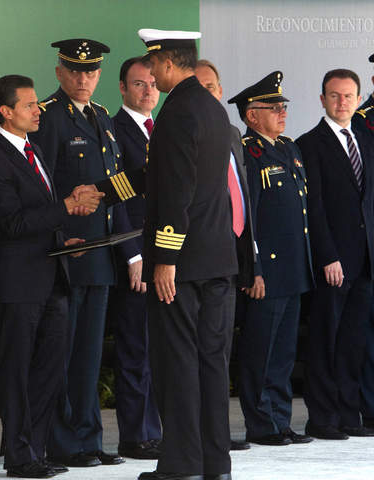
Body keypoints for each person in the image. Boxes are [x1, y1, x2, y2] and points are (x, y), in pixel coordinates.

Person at [0, 74, 103, 479]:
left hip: (52, 277)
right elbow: (13, 224)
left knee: (49, 369)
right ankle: (18, 456)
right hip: (18, 284)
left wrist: (65, 242)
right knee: (17, 372)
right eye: (29, 105)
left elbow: (42, 216)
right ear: (6, 111)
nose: (38, 111)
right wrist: (66, 206)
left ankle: (36, 449)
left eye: (38, 104)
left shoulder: (34, 150)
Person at [137, 29, 238, 480]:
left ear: (166, 63)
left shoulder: (177, 111)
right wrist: (105, 189)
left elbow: (177, 191)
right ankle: (215, 463)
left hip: (185, 266)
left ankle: (181, 466)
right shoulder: (212, 107)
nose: (151, 75)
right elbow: (163, 174)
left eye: (152, 66)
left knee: (177, 363)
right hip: (217, 259)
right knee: (212, 365)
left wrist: (166, 259)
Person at [29, 38, 124, 469]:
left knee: (89, 356)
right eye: (74, 70)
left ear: (99, 74)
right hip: (68, 253)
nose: (83, 78)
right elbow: (42, 187)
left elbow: (112, 184)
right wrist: (59, 237)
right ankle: (65, 443)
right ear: (59, 73)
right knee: (64, 356)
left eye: (90, 71)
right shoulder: (48, 117)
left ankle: (89, 439)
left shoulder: (102, 116)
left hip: (101, 252)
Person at [227, 72, 314, 446]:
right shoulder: (249, 153)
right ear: (252, 115)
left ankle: (281, 420)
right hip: (267, 272)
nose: (282, 112)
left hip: (293, 269)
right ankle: (262, 424)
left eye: (283, 106)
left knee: (283, 352)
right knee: (260, 352)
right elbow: (247, 220)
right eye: (273, 107)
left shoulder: (289, 149)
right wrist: (254, 270)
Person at [296, 69, 374, 440]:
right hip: (334, 262)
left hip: (365, 261)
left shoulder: (366, 140)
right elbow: (313, 208)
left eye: (348, 96)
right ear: (322, 99)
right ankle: (322, 418)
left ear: (358, 100)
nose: (342, 102)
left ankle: (347, 414)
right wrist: (327, 255)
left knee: (353, 342)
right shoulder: (309, 144)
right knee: (325, 341)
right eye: (334, 95)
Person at [194, 59, 257, 452]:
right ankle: (195, 433)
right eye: (199, 87)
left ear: (220, 91)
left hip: (231, 256)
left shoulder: (232, 133)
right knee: (197, 352)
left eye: (212, 87)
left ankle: (216, 433)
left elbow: (242, 194)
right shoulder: (184, 131)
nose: (208, 94)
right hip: (197, 259)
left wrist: (251, 256)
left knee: (219, 351)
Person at [108, 56, 162, 460]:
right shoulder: (113, 130)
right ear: (123, 87)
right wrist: (132, 254)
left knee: (160, 350)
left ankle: (156, 430)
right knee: (135, 350)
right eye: (140, 83)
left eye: (154, 83)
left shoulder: (163, 129)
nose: (148, 90)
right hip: (138, 257)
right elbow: (117, 199)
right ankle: (135, 435)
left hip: (168, 256)